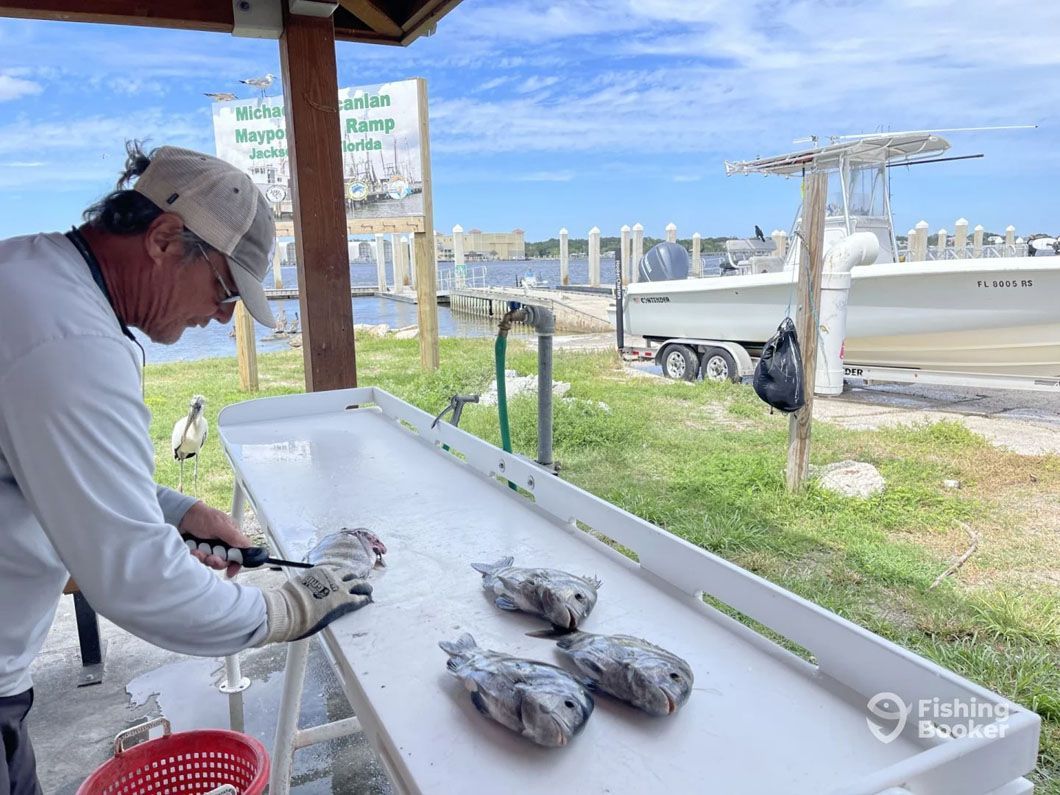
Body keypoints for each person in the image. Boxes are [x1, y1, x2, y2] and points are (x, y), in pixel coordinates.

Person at [0, 143, 373, 794]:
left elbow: (41, 465)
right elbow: (135, 577)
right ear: (166, 239)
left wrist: (175, 510)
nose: (223, 318)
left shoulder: (35, 276)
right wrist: (285, 610)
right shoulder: (70, 342)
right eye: (226, 290)